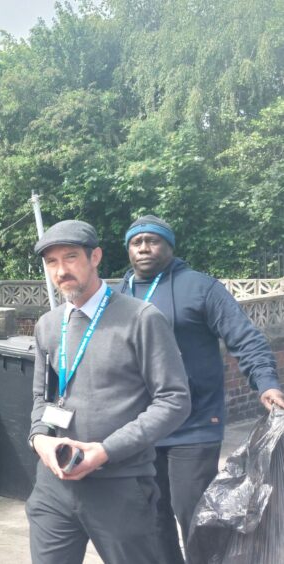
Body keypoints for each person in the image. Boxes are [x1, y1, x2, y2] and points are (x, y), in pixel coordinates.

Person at [117, 214, 284, 563]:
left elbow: (246, 339)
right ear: (128, 249)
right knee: (151, 516)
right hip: (139, 428)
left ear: (169, 246)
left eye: (153, 240)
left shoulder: (200, 287)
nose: (144, 247)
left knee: (194, 513)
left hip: (193, 425)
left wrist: (266, 383)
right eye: (137, 242)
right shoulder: (118, 295)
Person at [26, 219, 191, 564]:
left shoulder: (141, 318)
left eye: (70, 258)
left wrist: (105, 451)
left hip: (120, 483)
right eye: (52, 262)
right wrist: (40, 439)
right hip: (53, 486)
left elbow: (174, 400)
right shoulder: (48, 325)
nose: (61, 271)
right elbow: (42, 399)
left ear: (95, 256)